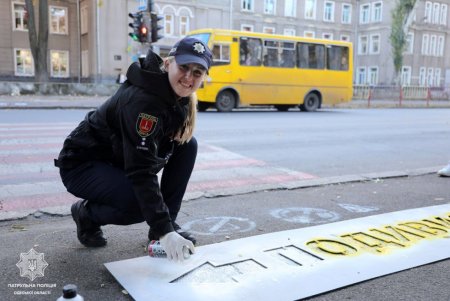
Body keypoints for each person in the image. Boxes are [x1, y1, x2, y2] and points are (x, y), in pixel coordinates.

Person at [54, 37, 212, 262]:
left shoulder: (175, 96)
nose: (188, 77)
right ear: (168, 64)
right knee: (139, 205)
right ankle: (86, 214)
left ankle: (162, 229)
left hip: (116, 159)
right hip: (82, 164)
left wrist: (165, 227)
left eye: (197, 72)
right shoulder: (144, 103)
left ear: (204, 78)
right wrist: (166, 232)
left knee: (188, 146)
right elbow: (140, 171)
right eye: (184, 67)